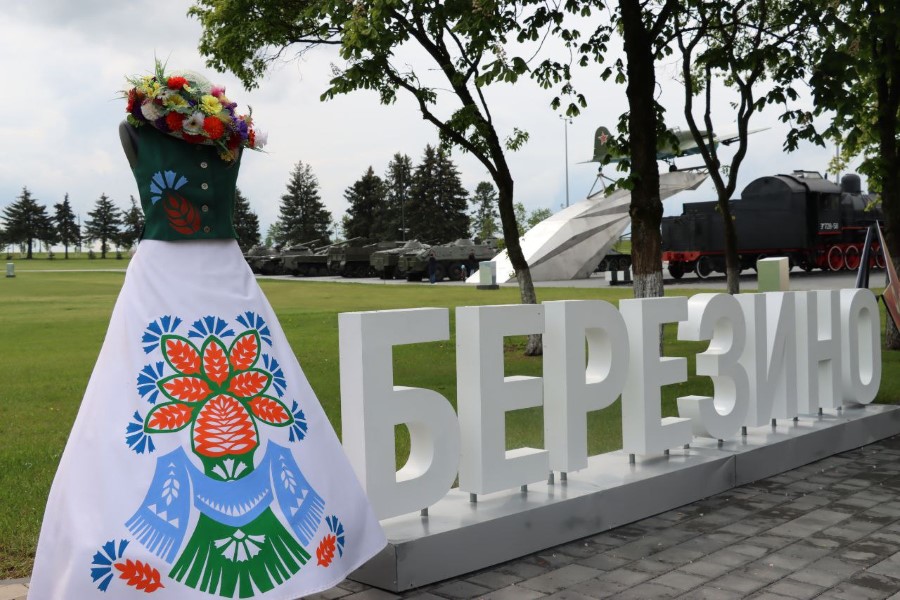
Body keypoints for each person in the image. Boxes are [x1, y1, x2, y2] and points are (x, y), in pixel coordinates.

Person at [29, 62, 386, 600]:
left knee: (266, 394)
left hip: (223, 273)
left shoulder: (227, 133)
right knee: (133, 395)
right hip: (168, 275)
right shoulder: (140, 127)